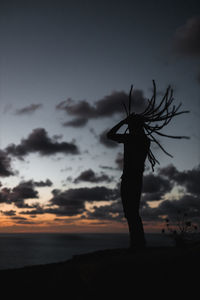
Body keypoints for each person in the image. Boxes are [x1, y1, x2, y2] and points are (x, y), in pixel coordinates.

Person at [107, 113, 150, 249]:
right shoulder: (145, 139)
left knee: (130, 213)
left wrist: (122, 122)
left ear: (133, 125)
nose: (129, 127)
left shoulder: (132, 138)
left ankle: (137, 245)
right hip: (137, 178)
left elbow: (110, 135)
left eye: (130, 125)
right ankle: (138, 243)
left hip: (129, 178)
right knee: (133, 212)